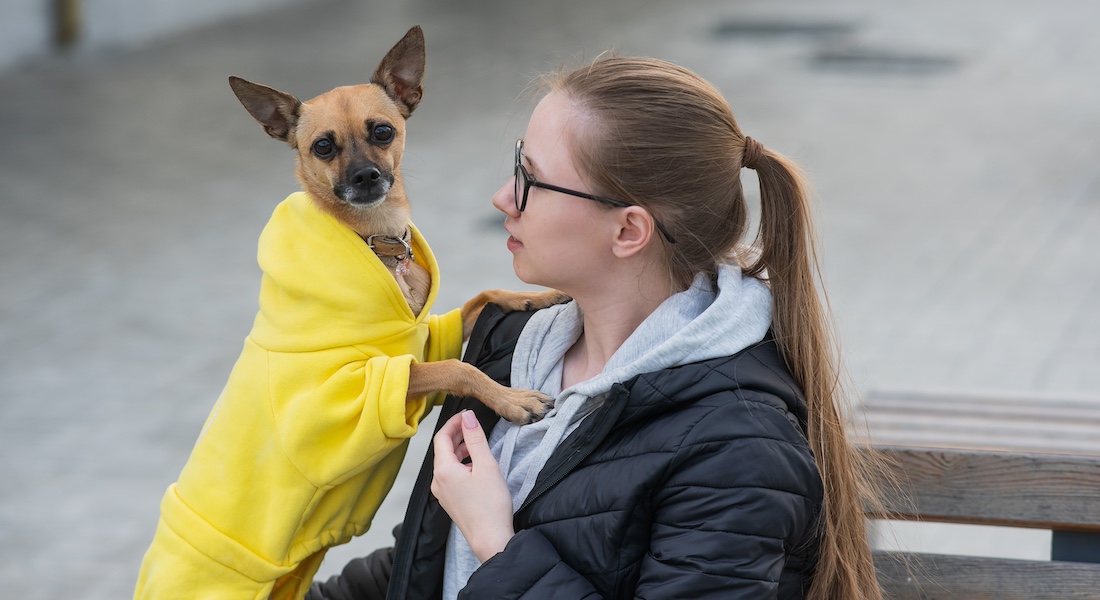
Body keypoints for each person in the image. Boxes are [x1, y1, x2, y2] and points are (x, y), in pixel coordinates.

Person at [309, 55, 882, 600]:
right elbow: (423, 563)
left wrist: (496, 541)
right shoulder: (512, 347)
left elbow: (477, 542)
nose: (503, 198)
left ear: (629, 231)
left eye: (529, 178)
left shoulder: (737, 448)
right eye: (515, 164)